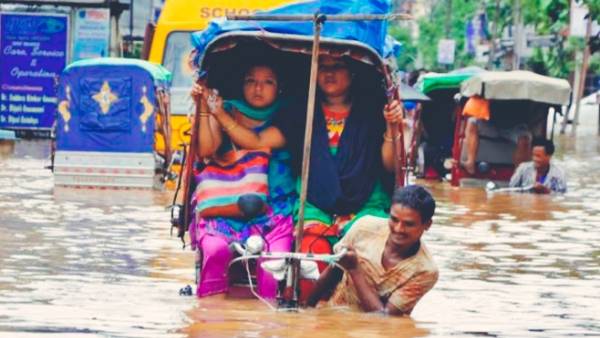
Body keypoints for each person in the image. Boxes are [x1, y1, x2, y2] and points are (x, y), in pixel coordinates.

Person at [275, 55, 403, 300]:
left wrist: (391, 127)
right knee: (311, 258)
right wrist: (215, 113)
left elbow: (389, 164)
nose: (329, 73)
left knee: (366, 257)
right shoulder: (302, 111)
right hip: (314, 205)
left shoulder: (375, 111)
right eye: (322, 67)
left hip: (366, 203)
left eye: (337, 67)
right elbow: (261, 141)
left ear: (352, 73)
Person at [189, 62, 296, 298]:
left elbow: (257, 142)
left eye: (268, 82)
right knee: (215, 251)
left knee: (273, 264)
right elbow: (206, 150)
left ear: (279, 88)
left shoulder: (289, 114)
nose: (258, 88)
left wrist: (221, 115)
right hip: (225, 206)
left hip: (275, 210)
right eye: (251, 81)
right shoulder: (225, 107)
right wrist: (205, 109)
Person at [307, 185, 438, 316]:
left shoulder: (425, 270)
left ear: (427, 225)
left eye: (408, 224)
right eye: (394, 219)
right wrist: (306, 310)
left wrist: (354, 269)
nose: (398, 229)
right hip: (337, 313)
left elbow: (384, 318)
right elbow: (333, 271)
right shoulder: (364, 228)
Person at [462, 97, 532, 174]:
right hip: (492, 123)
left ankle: (518, 173)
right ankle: (470, 162)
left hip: (514, 126)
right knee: (472, 121)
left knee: (524, 139)